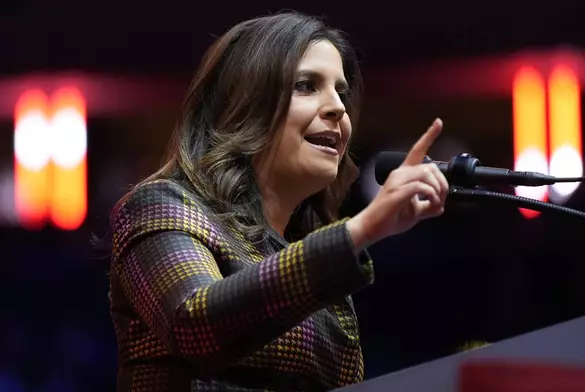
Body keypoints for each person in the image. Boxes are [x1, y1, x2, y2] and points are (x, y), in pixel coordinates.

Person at [108, 11, 449, 392]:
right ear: (244, 104)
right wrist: (363, 228)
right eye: (307, 86)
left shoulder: (308, 253)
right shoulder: (160, 205)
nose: (338, 107)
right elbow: (195, 326)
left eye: (341, 91)